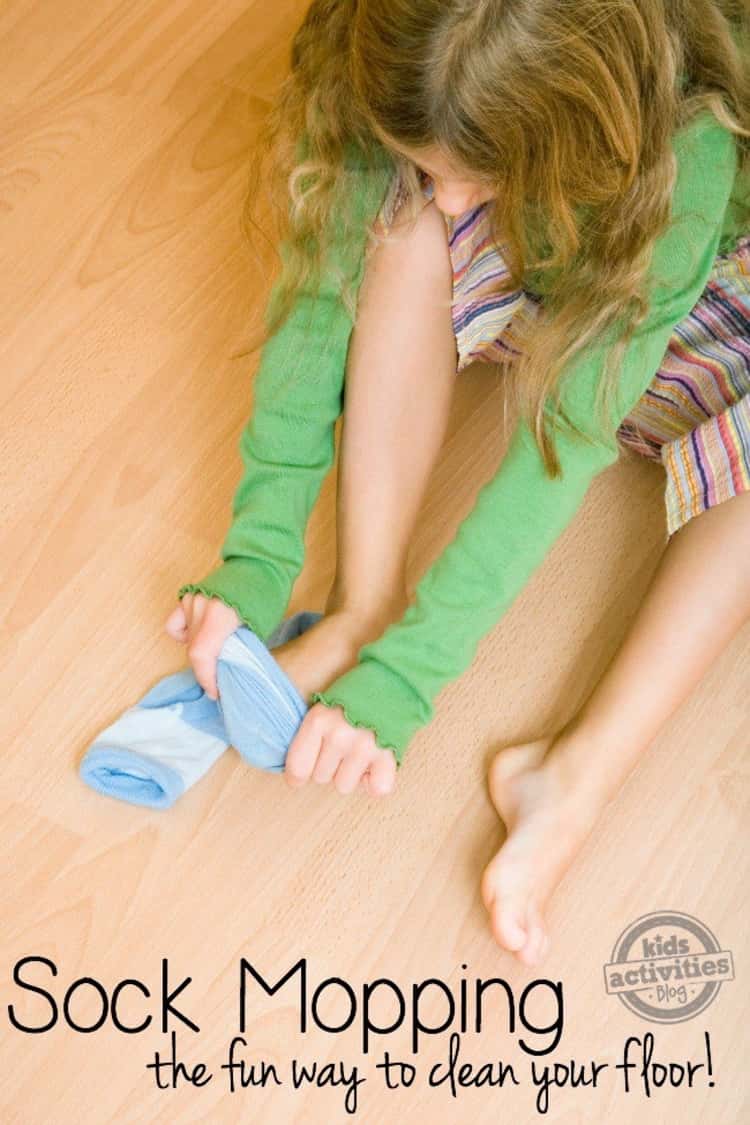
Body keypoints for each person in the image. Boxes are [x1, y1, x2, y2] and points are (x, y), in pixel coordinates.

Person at [165, 0, 750, 965]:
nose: (446, 196)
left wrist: (408, 680)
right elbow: (318, 295)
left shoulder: (691, 145)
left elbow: (566, 437)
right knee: (394, 221)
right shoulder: (394, 49)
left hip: (683, 274)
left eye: (468, 171)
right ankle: (363, 601)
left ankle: (573, 781)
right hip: (561, 248)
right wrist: (259, 557)